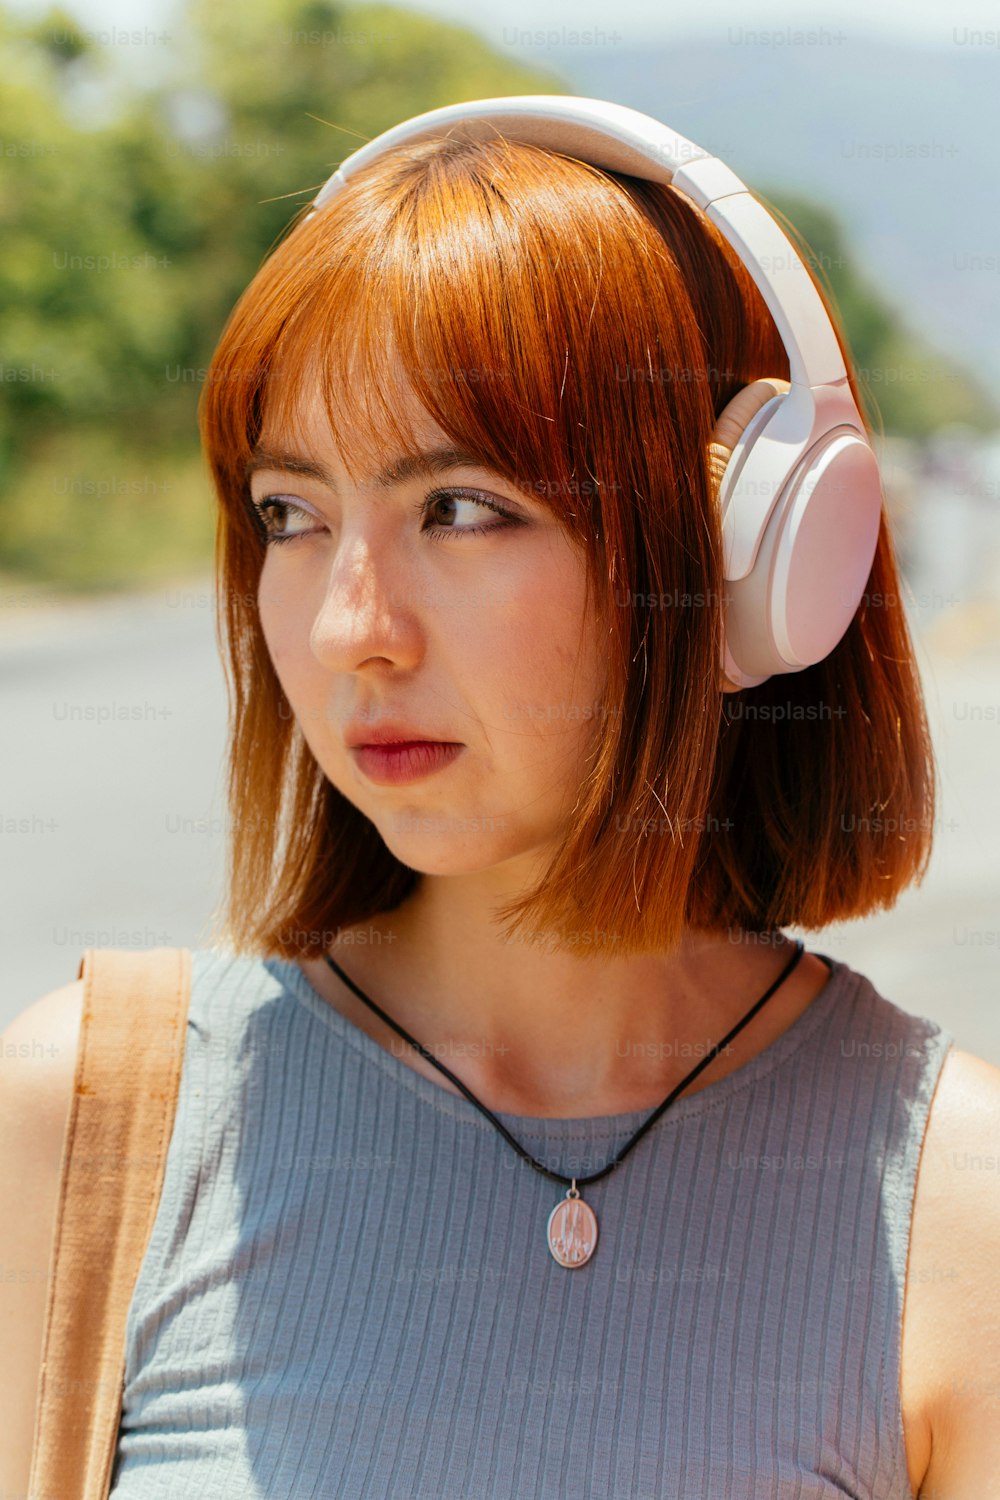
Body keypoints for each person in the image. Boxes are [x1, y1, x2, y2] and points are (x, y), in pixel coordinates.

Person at [2, 96, 998, 1500]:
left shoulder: (960, 1207)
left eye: (459, 509)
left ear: (738, 565)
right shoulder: (91, 1122)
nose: (353, 626)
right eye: (293, 516)